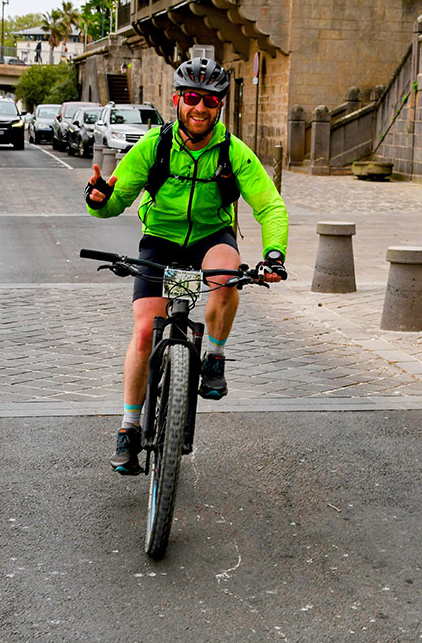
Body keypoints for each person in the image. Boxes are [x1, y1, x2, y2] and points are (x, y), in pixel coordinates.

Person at [86, 56, 289, 475]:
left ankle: (213, 358)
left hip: (209, 239)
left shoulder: (233, 153)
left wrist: (274, 254)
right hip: (159, 242)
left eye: (211, 101)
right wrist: (98, 201)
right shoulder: (153, 147)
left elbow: (269, 205)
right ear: (178, 99)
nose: (201, 108)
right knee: (144, 331)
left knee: (228, 275)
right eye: (193, 98)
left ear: (220, 107)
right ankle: (129, 428)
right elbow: (115, 201)